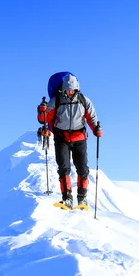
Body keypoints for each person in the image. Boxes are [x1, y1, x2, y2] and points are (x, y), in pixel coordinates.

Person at [38, 74, 102, 208]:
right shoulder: (56, 101)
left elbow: (91, 117)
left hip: (79, 137)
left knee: (83, 169)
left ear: (77, 89)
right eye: (67, 90)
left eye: (72, 90)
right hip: (62, 137)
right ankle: (67, 198)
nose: (70, 92)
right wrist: (42, 110)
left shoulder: (84, 101)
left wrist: (96, 129)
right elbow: (44, 119)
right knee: (64, 168)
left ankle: (82, 198)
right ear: (63, 89)